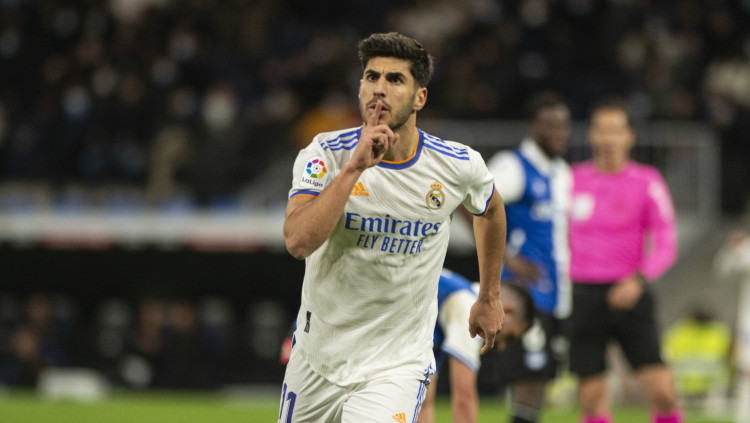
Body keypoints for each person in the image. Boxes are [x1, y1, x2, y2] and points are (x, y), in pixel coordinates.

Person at [280, 32, 507, 422]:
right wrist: (354, 169)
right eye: (372, 77)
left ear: (420, 98)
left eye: (395, 79)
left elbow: (491, 209)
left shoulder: (456, 165)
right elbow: (298, 242)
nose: (379, 89)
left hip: (397, 366)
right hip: (317, 359)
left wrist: (489, 295)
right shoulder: (326, 154)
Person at [567, 96, 683, 423]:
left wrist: (639, 280)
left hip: (630, 289)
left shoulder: (647, 181)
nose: (608, 138)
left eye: (615, 130)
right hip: (583, 294)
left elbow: (666, 242)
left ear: (630, 136)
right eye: (601, 130)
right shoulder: (571, 180)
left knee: (662, 392)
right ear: (591, 135)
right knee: (591, 399)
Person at [485, 91, 572, 423]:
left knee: (543, 379)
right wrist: (506, 258)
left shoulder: (561, 172)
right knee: (528, 378)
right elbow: (472, 201)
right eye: (551, 126)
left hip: (555, 293)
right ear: (532, 127)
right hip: (524, 295)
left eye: (563, 126)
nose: (559, 133)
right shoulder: (513, 166)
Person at [417, 269, 535, 423]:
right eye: (509, 336)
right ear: (506, 311)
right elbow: (464, 401)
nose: (501, 346)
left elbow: (423, 399)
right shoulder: (469, 307)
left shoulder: (452, 301)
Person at [714, 229, 750, 423]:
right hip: (748, 321)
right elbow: (724, 269)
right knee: (746, 369)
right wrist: (733, 248)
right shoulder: (746, 248)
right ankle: (743, 416)